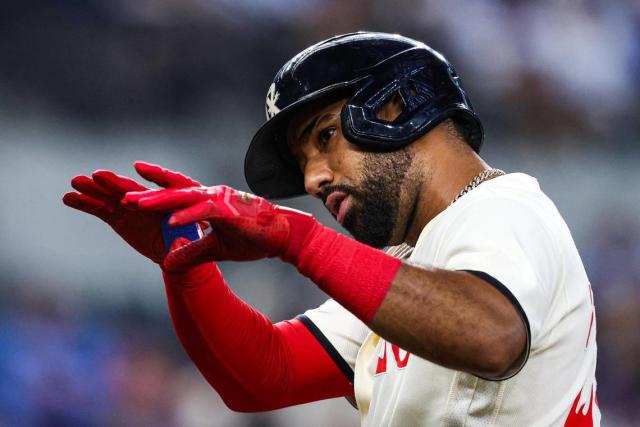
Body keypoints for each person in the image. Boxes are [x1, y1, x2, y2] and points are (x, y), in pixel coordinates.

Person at [63, 32, 599, 426]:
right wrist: (186, 263)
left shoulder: (504, 206)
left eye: (323, 138)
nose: (313, 179)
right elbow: (263, 375)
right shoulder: (408, 267)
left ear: (395, 107)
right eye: (303, 162)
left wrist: (296, 238)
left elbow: (492, 335)